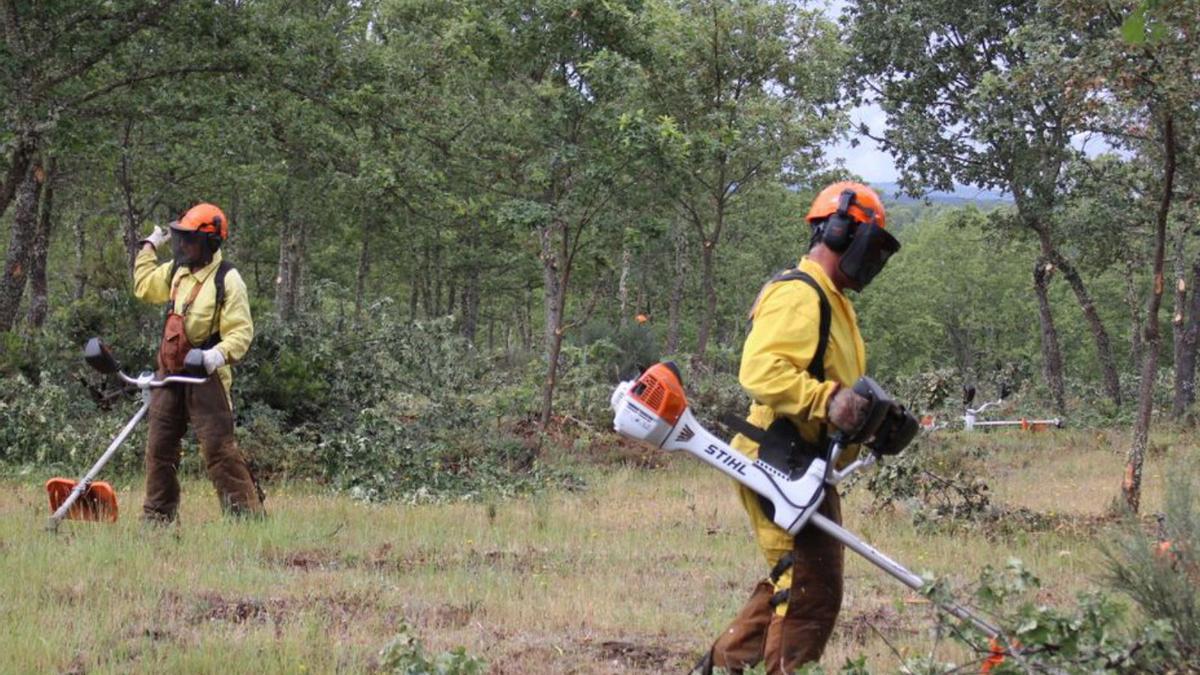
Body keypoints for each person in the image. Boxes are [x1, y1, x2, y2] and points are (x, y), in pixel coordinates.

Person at [695, 182, 900, 673]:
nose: (872, 258)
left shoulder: (835, 302)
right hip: (777, 458)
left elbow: (837, 386)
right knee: (809, 594)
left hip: (805, 463)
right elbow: (762, 371)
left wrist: (874, 420)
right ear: (836, 230)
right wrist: (828, 401)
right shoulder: (800, 293)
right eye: (870, 241)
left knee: (797, 580)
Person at [133, 202, 263, 521]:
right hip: (170, 375)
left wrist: (213, 355)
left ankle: (245, 518)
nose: (183, 245)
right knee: (159, 448)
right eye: (181, 239)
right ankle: (157, 518)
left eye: (190, 239)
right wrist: (150, 245)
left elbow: (242, 332)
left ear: (209, 242)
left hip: (206, 378)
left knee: (219, 451)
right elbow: (144, 287)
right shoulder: (178, 270)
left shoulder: (227, 279)